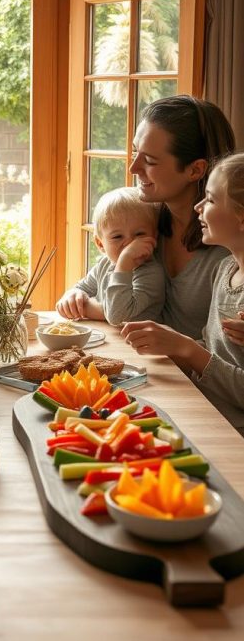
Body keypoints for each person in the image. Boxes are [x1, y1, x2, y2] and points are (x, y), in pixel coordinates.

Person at [122, 154, 244, 436]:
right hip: (204, 409)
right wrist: (168, 345)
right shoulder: (224, 267)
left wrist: (187, 349)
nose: (198, 207)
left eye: (211, 200)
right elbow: (213, 351)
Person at [128, 94, 236, 339]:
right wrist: (80, 296)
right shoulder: (142, 221)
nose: (133, 168)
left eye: (150, 161)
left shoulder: (228, 248)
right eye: (135, 152)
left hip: (192, 377)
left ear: (195, 169)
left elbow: (224, 354)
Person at [56, 186, 164, 325]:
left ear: (154, 236)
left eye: (139, 234)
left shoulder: (151, 273)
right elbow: (83, 288)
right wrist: (71, 295)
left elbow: (117, 316)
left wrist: (124, 264)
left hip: (138, 345)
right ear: (100, 244)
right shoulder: (104, 264)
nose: (129, 245)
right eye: (118, 236)